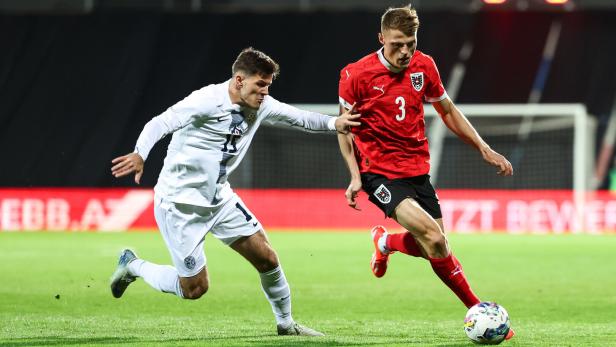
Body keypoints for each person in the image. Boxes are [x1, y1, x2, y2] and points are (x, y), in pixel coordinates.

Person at [110, 47, 360, 336]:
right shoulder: (205, 101)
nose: (265, 93)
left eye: (268, 86)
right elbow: (161, 122)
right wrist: (140, 153)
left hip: (220, 199)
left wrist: (334, 123)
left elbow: (299, 118)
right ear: (239, 81)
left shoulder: (261, 104)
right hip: (180, 205)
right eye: (260, 85)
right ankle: (133, 266)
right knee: (194, 288)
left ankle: (286, 324)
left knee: (267, 257)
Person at [337, 5, 515, 339]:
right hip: (379, 173)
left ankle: (385, 241)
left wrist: (483, 147)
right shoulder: (356, 75)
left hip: (417, 171)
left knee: (436, 246)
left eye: (411, 43)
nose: (405, 51)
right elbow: (343, 128)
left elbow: (447, 110)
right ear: (381, 39)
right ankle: (480, 311)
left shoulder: (425, 66)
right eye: (397, 44)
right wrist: (354, 176)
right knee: (433, 237)